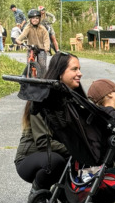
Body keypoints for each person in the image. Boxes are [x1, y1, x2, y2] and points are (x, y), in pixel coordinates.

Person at [15, 52, 82, 191]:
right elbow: (42, 142)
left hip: (59, 153)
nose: (80, 73)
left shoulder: (72, 98)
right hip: (31, 158)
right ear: (60, 73)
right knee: (56, 161)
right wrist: (76, 151)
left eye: (79, 69)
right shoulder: (41, 100)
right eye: (74, 69)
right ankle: (38, 190)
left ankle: (64, 193)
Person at [20, 8, 52, 77]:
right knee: (29, 63)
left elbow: (46, 39)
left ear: (39, 19)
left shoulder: (42, 28)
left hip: (41, 48)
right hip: (31, 47)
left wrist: (47, 47)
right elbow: (23, 35)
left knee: (42, 65)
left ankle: (43, 79)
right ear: (30, 19)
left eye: (37, 18)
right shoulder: (28, 27)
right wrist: (18, 40)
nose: (35, 20)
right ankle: (29, 77)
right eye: (33, 18)